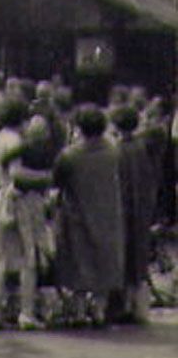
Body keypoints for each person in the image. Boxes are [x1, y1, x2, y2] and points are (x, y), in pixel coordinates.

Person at [53, 104, 125, 326]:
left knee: (79, 261)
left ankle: (79, 311)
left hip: (78, 214)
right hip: (108, 212)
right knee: (104, 260)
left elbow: (58, 181)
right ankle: (99, 310)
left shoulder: (70, 155)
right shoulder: (114, 150)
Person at [0, 98, 51, 330]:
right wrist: (46, 177)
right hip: (20, 201)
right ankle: (27, 312)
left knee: (1, 258)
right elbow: (17, 173)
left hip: (2, 200)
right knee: (27, 258)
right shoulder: (14, 141)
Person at [113, 105, 156, 322]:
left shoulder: (118, 150)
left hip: (123, 210)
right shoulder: (141, 148)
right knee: (137, 258)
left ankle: (124, 306)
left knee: (124, 257)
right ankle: (136, 305)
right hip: (141, 210)